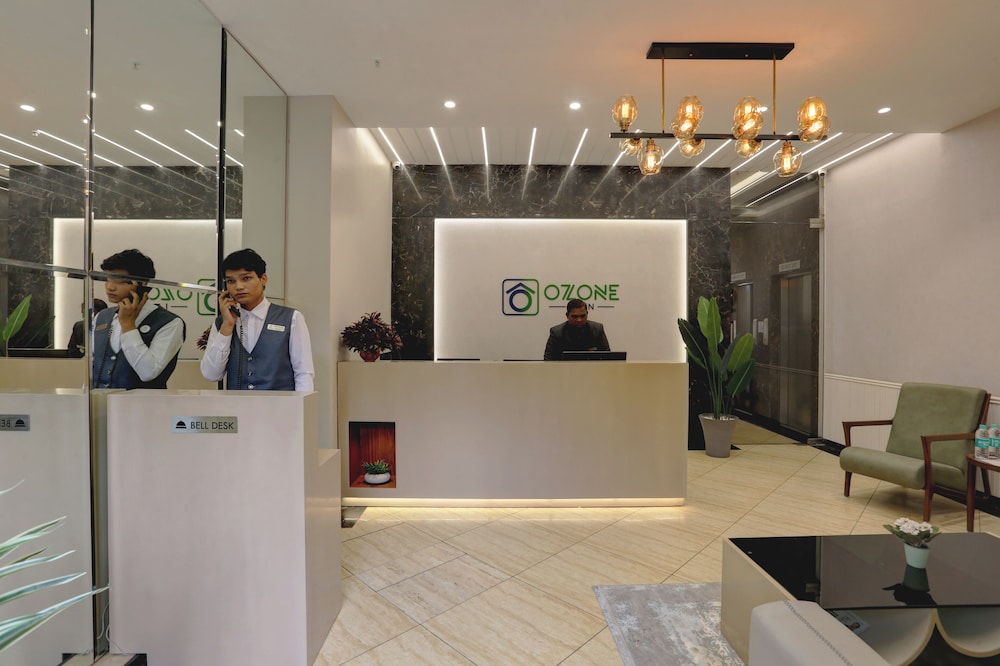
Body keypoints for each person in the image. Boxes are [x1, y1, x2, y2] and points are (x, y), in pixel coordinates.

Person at [200, 248, 314, 391]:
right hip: (237, 404)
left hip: (280, 404)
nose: (238, 286)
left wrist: (301, 405)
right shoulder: (222, 323)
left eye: (246, 278)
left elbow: (303, 374)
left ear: (263, 279)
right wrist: (227, 326)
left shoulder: (292, 318)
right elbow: (211, 375)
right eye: (231, 281)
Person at [92, 249, 185, 388]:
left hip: (145, 401)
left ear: (143, 284)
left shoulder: (169, 322)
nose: (110, 287)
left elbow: (148, 372)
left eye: (121, 282)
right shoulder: (102, 317)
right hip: (100, 400)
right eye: (108, 279)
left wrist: (128, 325)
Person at [543, 298, 611, 360]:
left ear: (587, 314)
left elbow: (608, 357)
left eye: (583, 316)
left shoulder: (598, 329)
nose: (579, 320)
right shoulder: (556, 333)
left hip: (592, 368)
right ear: (567, 315)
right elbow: (548, 359)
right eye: (574, 317)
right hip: (564, 369)